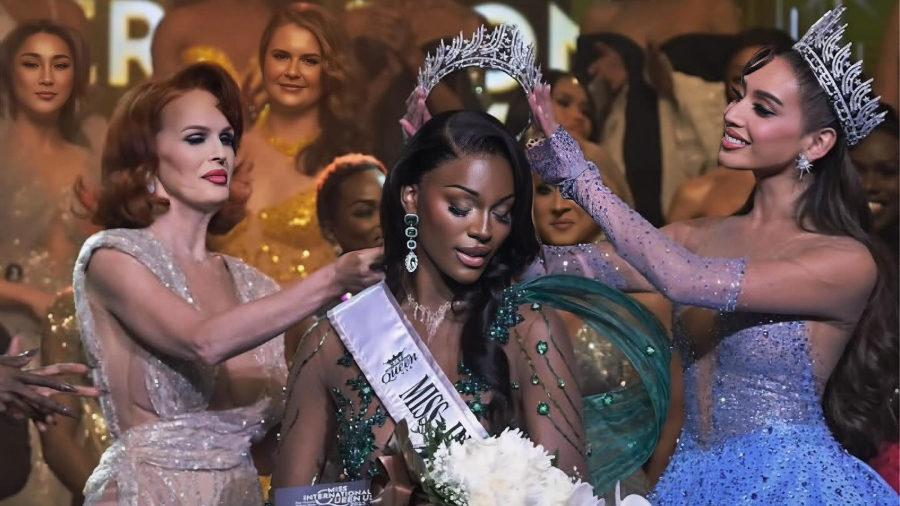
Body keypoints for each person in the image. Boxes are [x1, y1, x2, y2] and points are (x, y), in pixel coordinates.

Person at [526, 6, 898, 503]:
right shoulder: (696, 235)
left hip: (791, 487)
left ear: (817, 142)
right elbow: (574, 265)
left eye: (762, 108)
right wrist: (425, 248)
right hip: (688, 483)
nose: (732, 113)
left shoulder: (847, 261)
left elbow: (686, 279)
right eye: (737, 96)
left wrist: (582, 181)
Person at [273, 110, 671, 494]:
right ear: (411, 197)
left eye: (501, 213)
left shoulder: (527, 328)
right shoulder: (332, 342)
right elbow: (290, 498)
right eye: (461, 208)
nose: (483, 230)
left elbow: (567, 492)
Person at [72, 62, 381, 504]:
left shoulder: (257, 287)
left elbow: (282, 443)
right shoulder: (114, 258)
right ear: (145, 162)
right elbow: (202, 342)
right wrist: (335, 276)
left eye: (227, 139)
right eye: (196, 138)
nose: (220, 152)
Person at [0, 20, 99, 506]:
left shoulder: (93, 155)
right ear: (8, 73)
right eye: (31, 63)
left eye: (59, 65)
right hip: (8, 340)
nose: (46, 77)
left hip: (78, 341)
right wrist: (26, 295)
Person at [209, 4, 369, 284]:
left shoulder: (347, 161)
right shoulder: (222, 147)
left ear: (331, 69)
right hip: (220, 321)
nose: (292, 71)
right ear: (262, 61)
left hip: (313, 324)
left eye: (309, 60)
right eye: (281, 56)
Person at [667, 28, 794, 223]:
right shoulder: (696, 195)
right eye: (737, 79)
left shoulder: (824, 190)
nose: (748, 91)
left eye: (763, 76)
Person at [283, 153, 388, 364]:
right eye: (364, 212)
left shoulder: (426, 293)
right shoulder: (313, 320)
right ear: (331, 231)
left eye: (388, 207)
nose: (384, 221)